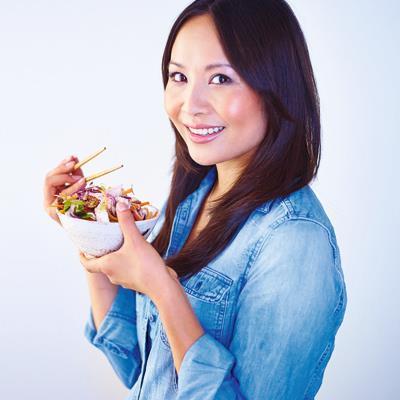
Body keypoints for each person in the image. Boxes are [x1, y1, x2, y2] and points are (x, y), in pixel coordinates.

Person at [43, 0, 347, 399]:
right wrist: (89, 229)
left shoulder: (294, 242)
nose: (191, 106)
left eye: (220, 79)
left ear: (277, 86)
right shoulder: (195, 194)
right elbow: (134, 364)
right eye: (178, 76)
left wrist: (164, 288)